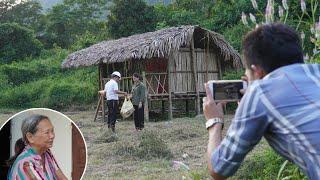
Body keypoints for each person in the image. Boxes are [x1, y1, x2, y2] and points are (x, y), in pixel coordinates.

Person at [203, 23, 320, 179]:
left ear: (257, 71)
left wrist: (214, 122)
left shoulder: (259, 93)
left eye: (247, 72)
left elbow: (218, 169)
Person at [7, 115, 67, 180]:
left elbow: (61, 176)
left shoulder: (47, 153)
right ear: (30, 137)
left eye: (52, 131)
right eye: (47, 132)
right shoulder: (26, 163)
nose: (52, 136)